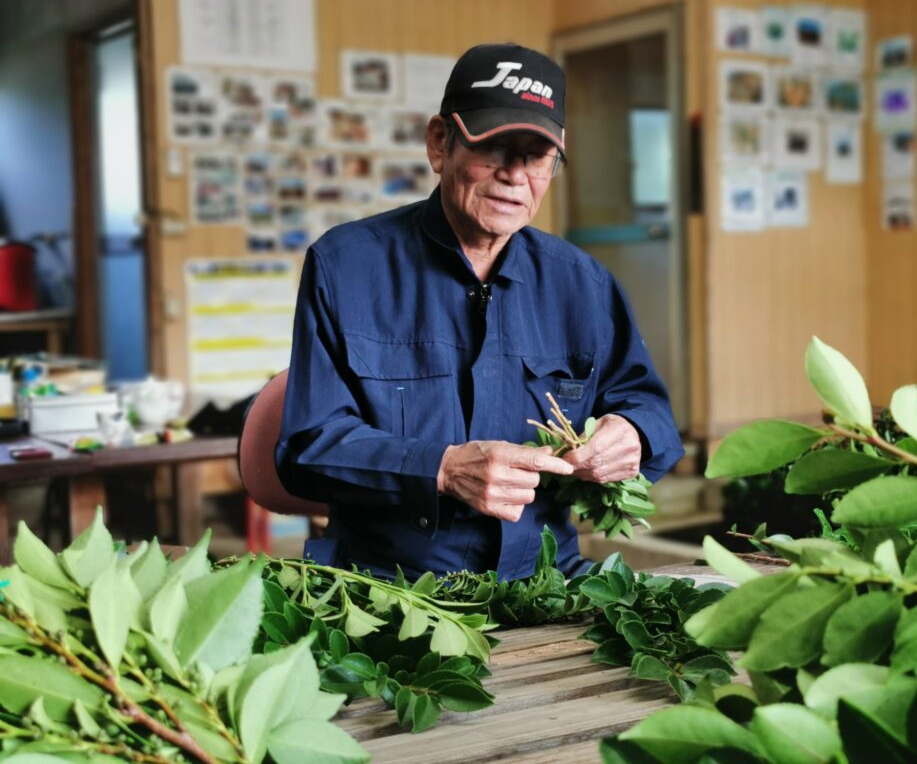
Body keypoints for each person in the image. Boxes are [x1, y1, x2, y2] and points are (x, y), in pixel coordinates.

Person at [277, 43, 684, 581]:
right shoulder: (346, 266)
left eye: (536, 156)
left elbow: (650, 412)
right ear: (440, 143)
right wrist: (441, 469)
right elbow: (306, 448)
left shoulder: (581, 283)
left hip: (546, 583)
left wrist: (632, 433)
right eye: (495, 147)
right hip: (391, 588)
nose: (515, 176)